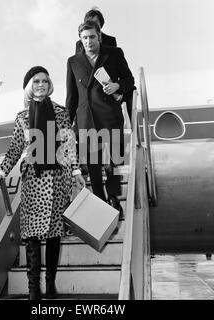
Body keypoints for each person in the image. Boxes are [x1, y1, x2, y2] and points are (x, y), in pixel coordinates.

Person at [0, 66, 85, 300]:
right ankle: (32, 288)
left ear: (49, 85)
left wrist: (77, 171)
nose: (41, 84)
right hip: (33, 181)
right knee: (31, 235)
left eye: (45, 80)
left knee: (53, 234)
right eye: (36, 81)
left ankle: (49, 284)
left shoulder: (61, 112)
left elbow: (69, 144)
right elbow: (14, 149)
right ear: (29, 86)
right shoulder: (22, 117)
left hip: (58, 179)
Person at [66, 20, 135, 214]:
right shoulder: (73, 62)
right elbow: (71, 96)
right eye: (84, 38)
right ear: (80, 39)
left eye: (92, 37)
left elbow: (130, 80)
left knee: (114, 159)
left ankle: (113, 197)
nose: (88, 41)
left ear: (99, 36)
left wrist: (117, 86)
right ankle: (101, 202)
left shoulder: (114, 54)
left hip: (110, 115)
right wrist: (66, 124)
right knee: (93, 165)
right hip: (86, 118)